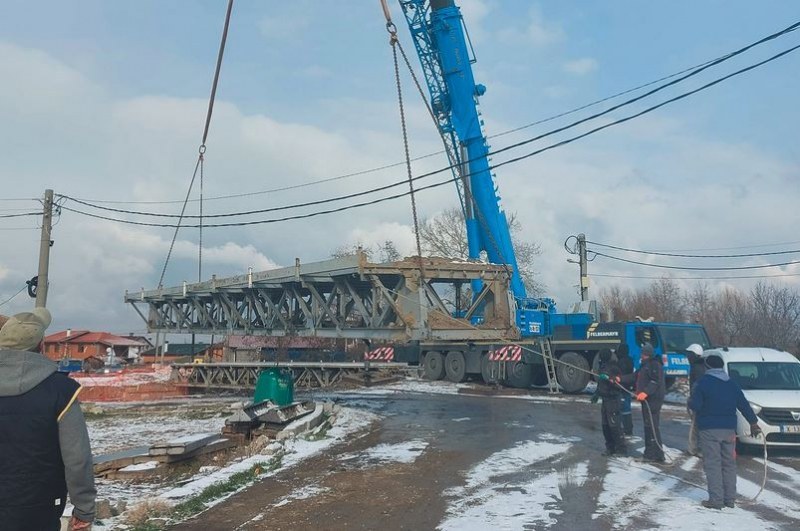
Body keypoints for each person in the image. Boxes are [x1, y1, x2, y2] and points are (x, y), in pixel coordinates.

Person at [0, 308, 96, 530]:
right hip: (38, 506)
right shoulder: (61, 391)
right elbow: (77, 458)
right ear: (42, 346)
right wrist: (83, 510)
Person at [689, 352, 760, 509]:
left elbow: (695, 406)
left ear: (707, 367)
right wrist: (753, 423)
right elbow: (744, 405)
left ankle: (716, 500)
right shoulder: (732, 384)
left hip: (709, 430)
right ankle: (730, 499)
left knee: (713, 464)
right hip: (729, 430)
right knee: (729, 464)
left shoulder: (703, 383)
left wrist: (691, 400)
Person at [635, 343, 666, 463]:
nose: (641, 355)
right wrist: (620, 379)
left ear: (647, 354)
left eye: (642, 353)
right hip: (647, 400)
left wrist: (645, 392)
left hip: (653, 400)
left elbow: (655, 381)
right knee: (649, 426)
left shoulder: (654, 365)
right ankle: (652, 453)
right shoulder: (645, 365)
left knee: (651, 427)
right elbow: (635, 376)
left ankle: (655, 454)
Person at [594, 349, 627, 456]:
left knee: (614, 425)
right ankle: (610, 448)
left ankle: (621, 449)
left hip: (613, 400)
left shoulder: (614, 367)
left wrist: (610, 378)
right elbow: (601, 384)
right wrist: (597, 393)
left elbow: (618, 385)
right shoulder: (602, 367)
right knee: (605, 425)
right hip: (605, 400)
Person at [686, 343, 705, 456]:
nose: (687, 357)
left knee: (696, 426)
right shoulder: (700, 367)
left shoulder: (697, 368)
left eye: (689, 354)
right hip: (699, 400)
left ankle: (695, 449)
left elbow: (697, 386)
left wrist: (693, 400)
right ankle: (697, 448)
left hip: (698, 402)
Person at [616, 343, 635, 436]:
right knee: (627, 408)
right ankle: (628, 428)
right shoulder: (630, 360)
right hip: (628, 387)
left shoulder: (621, 362)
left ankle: (627, 429)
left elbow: (621, 375)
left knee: (624, 409)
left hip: (622, 387)